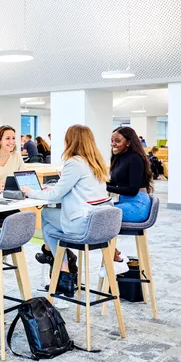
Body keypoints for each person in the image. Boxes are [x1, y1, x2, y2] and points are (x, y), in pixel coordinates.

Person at [21, 125, 111, 295]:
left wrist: (30, 192)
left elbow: (56, 196)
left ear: (71, 141)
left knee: (46, 215)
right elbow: (81, 190)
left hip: (83, 224)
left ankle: (59, 265)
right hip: (100, 223)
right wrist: (55, 191)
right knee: (50, 227)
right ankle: (61, 269)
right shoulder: (96, 162)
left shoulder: (74, 163)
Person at [109, 127, 153, 224]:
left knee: (97, 214)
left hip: (137, 205)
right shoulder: (117, 157)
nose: (112, 144)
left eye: (117, 141)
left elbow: (132, 190)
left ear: (128, 142)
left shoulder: (135, 158)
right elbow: (113, 183)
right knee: (95, 210)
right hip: (124, 202)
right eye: (112, 141)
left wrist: (105, 187)